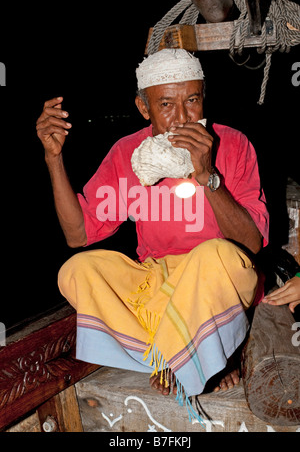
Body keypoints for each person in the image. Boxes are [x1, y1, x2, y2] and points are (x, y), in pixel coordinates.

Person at [36, 49, 269, 420]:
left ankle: (207, 357)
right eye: (166, 104)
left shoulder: (231, 144)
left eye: (192, 100)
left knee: (214, 255)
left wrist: (207, 174)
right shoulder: (127, 152)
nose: (183, 117)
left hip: (223, 279)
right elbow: (78, 234)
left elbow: (252, 244)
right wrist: (53, 158)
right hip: (162, 286)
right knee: (78, 270)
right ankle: (171, 353)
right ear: (143, 108)